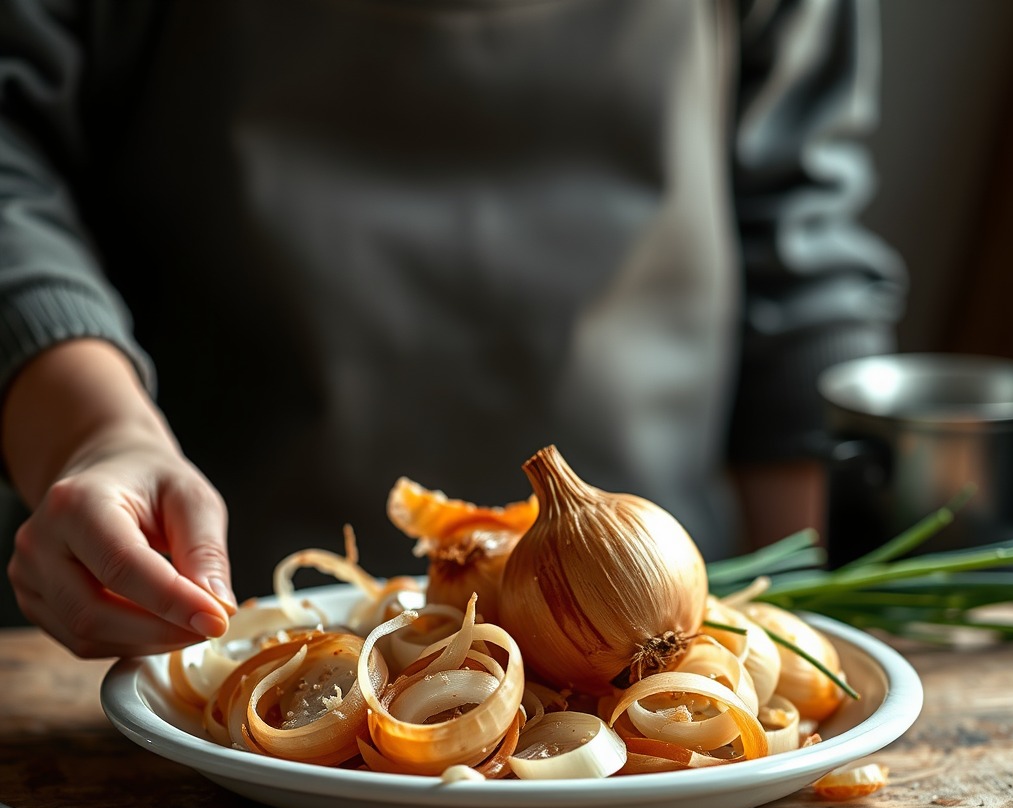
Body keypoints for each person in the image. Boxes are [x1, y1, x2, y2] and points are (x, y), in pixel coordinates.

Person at [0, 0, 905, 658]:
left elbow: (792, 254)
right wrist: (96, 434)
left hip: (664, 635)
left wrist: (810, 645)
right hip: (192, 632)